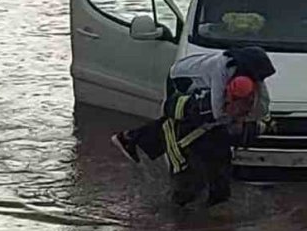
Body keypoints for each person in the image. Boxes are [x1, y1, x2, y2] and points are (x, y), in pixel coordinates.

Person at [112, 47, 275, 206]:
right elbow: (216, 112)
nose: (244, 108)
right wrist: (235, 119)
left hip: (206, 119)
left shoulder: (249, 78)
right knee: (180, 148)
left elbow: (263, 105)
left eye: (247, 103)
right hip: (180, 79)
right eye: (239, 103)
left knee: (214, 162)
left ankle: (132, 139)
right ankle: (132, 138)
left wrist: (249, 120)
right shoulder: (216, 79)